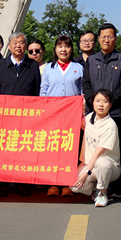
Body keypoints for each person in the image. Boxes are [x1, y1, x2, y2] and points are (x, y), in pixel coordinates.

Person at [82, 23, 121, 198]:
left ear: (115, 39)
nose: (106, 40)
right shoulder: (91, 60)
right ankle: (94, 181)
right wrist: (94, 102)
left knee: (115, 148)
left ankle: (116, 185)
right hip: (94, 113)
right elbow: (86, 83)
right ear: (99, 39)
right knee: (93, 146)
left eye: (110, 37)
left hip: (116, 112)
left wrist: (110, 102)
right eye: (103, 37)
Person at [0, 32, 41, 196]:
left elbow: (36, 91)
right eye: (14, 42)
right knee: (4, 150)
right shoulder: (1, 65)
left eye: (21, 43)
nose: (18, 46)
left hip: (26, 117)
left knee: (24, 150)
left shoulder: (32, 65)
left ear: (25, 46)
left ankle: (22, 183)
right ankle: (3, 183)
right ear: (9, 46)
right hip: (5, 116)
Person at [40, 35, 83, 198]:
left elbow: (82, 91)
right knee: (53, 149)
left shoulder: (78, 68)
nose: (63, 49)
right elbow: (43, 90)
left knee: (70, 148)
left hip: (72, 116)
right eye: (60, 46)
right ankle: (53, 183)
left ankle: (68, 184)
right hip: (53, 115)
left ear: (71, 49)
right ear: (55, 49)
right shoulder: (49, 68)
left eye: (67, 46)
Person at [72, 90, 121, 207]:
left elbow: (98, 153)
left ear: (110, 105)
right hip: (89, 165)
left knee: (101, 163)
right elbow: (75, 122)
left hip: (109, 166)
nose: (101, 104)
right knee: (73, 186)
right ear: (93, 102)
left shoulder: (110, 126)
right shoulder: (89, 118)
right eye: (98, 101)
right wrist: (81, 107)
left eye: (105, 101)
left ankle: (102, 193)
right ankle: (95, 189)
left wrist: (86, 173)